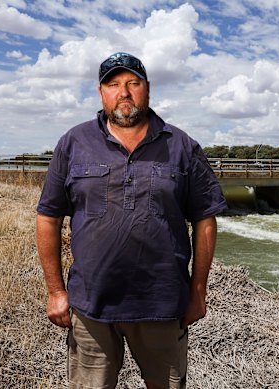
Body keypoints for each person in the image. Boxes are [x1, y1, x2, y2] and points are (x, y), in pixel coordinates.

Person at [36, 52, 227, 389]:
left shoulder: (181, 146)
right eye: (113, 84)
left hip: (163, 306)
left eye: (132, 83)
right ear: (101, 93)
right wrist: (55, 291)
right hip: (91, 305)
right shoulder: (73, 143)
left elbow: (205, 220)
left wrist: (198, 290)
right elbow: (48, 217)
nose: (123, 92)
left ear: (147, 89)